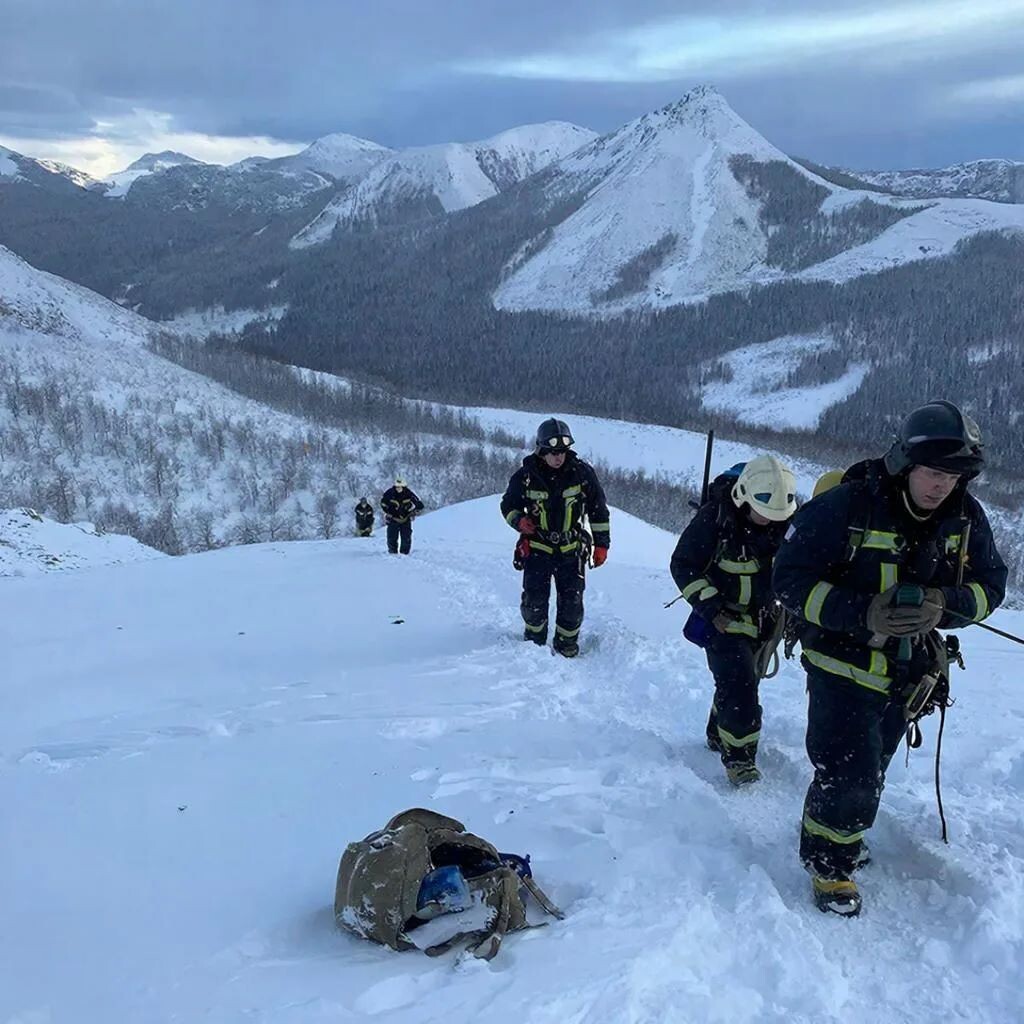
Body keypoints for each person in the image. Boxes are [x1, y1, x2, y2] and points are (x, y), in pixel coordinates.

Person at [772, 400, 1007, 917]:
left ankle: (841, 831)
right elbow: (787, 578)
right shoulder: (849, 507)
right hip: (841, 663)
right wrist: (862, 613)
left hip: (909, 670)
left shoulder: (965, 518)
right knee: (848, 770)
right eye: (931, 471)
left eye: (952, 474)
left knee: (872, 765)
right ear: (905, 462)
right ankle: (829, 864)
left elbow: (993, 585)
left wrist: (948, 604)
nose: (941, 484)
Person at [670, 456, 797, 786]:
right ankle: (740, 760)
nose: (771, 523)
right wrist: (711, 608)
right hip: (721, 620)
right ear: (743, 499)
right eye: (764, 514)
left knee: (743, 680)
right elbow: (683, 564)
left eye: (778, 517)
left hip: (765, 619)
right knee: (740, 685)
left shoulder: (789, 522)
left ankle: (718, 733)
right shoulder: (715, 519)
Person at [500, 418, 610, 658]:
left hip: (571, 550)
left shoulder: (582, 474)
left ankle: (566, 647)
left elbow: (598, 510)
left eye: (562, 451)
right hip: (538, 548)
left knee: (572, 603)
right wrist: (519, 520)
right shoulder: (526, 476)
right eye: (552, 452)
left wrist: (602, 545)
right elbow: (508, 505)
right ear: (541, 450)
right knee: (534, 602)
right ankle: (534, 645)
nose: (558, 457)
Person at [380, 478, 424, 555]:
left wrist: (414, 511)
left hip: (405, 518)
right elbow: (383, 503)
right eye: (397, 486)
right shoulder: (389, 493)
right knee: (392, 537)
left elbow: (419, 503)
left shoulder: (409, 493)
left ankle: (405, 554)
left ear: (404, 486)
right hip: (393, 518)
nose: (398, 488)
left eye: (400, 486)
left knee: (406, 537)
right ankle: (392, 553)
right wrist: (387, 512)